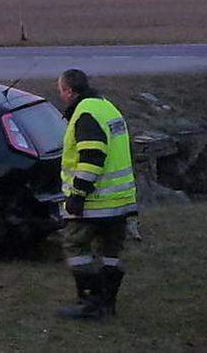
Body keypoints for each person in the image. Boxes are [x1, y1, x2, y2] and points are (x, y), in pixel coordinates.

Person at [56, 69, 137, 320]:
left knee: (75, 245)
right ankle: (107, 304)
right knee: (112, 252)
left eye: (60, 91)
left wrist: (77, 194)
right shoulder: (108, 108)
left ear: (69, 90)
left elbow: (92, 157)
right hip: (121, 200)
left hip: (96, 200)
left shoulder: (85, 114)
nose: (61, 96)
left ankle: (89, 302)